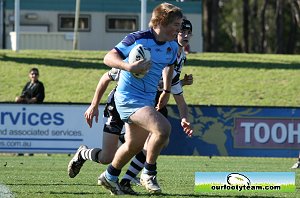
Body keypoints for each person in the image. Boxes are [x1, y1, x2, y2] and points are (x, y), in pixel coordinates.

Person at [98, 2, 192, 195]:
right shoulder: (138, 39)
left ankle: (109, 177)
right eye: (176, 24)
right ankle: (148, 173)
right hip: (127, 98)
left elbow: (169, 66)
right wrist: (129, 67)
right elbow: (108, 57)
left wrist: (166, 91)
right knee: (163, 129)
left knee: (134, 145)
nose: (179, 29)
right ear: (162, 21)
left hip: (147, 100)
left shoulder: (173, 47)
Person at [119, 19, 194, 192]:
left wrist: (184, 116)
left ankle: (126, 179)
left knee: (158, 141)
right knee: (119, 150)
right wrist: (94, 103)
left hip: (155, 100)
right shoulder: (152, 49)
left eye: (188, 32)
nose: (184, 35)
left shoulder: (179, 55)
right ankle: (129, 175)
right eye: (181, 30)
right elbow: (112, 73)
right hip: (135, 99)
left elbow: (172, 85)